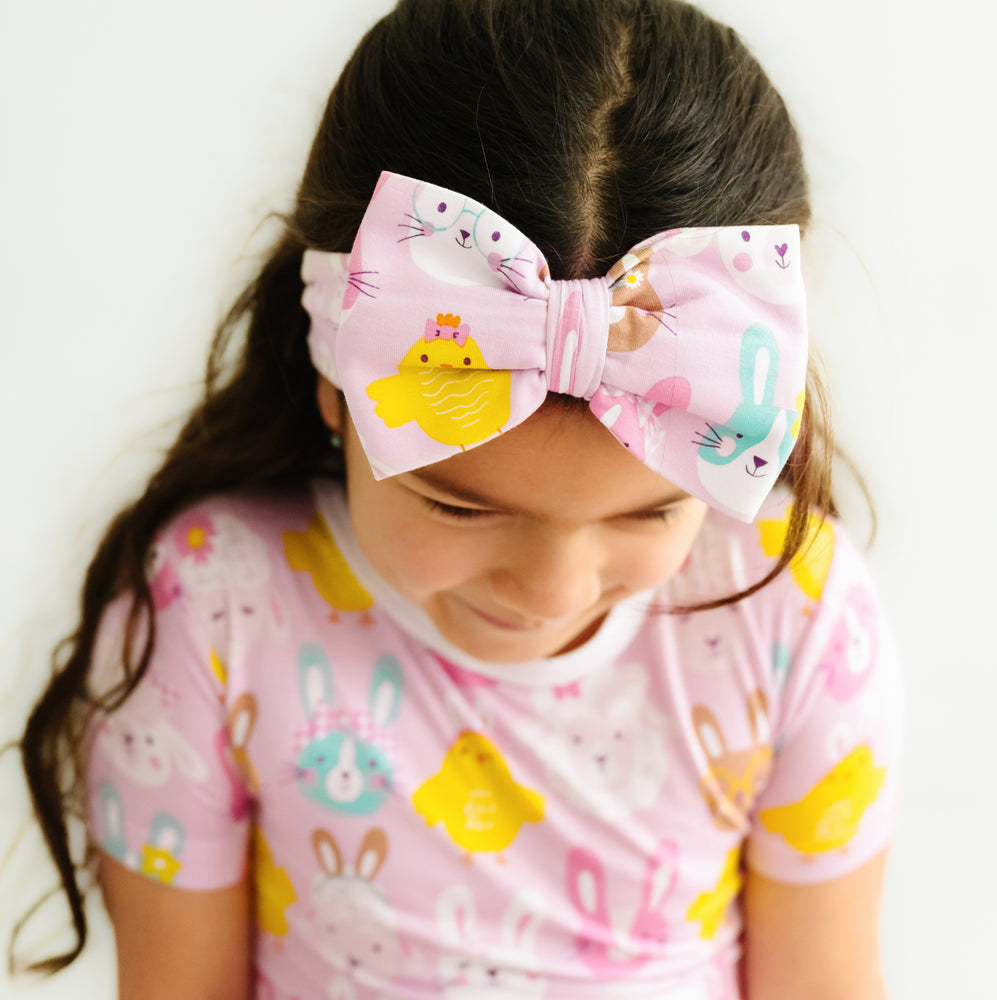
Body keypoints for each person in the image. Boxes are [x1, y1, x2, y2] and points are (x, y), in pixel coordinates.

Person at [15, 1, 900, 997]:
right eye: (460, 506)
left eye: (648, 512)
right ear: (338, 391)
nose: (551, 588)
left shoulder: (793, 611)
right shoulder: (212, 602)